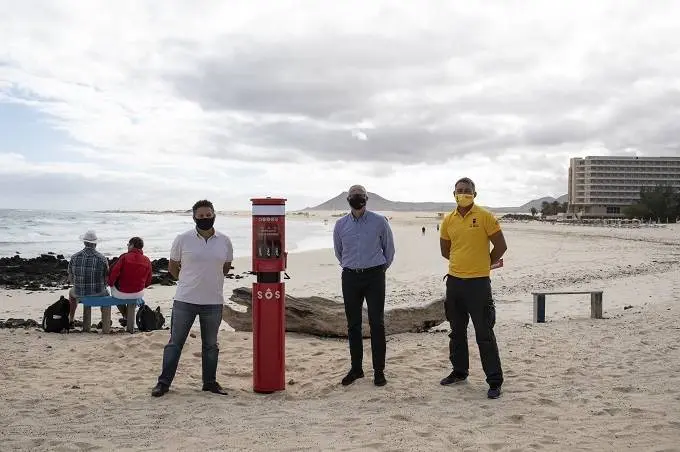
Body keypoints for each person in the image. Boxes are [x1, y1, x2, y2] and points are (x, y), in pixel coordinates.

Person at [152, 200, 233, 397]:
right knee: (175, 343)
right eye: (201, 216)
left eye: (208, 215)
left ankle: (210, 383)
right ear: (194, 217)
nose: (205, 219)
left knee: (211, 345)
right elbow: (173, 267)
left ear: (214, 215)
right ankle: (163, 384)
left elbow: (225, 267)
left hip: (213, 302)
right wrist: (188, 282)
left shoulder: (225, 240)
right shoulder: (182, 239)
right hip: (185, 300)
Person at [439, 177, 507, 399]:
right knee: (456, 331)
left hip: (479, 284)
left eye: (467, 191)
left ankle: (494, 381)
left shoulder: (485, 216)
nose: (463, 193)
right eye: (460, 190)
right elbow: (445, 250)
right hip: (455, 282)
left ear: (475, 194)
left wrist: (484, 264)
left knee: (484, 332)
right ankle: (459, 372)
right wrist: (462, 264)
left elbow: (501, 246)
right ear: (454, 194)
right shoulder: (448, 220)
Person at [333, 185, 395, 387]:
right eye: (353, 196)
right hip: (350, 277)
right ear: (348, 199)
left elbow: (389, 250)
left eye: (360, 196)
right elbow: (339, 252)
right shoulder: (340, 224)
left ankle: (379, 371)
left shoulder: (379, 222)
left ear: (366, 199)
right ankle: (356, 369)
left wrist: (378, 270)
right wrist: (352, 267)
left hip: (375, 276)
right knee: (353, 325)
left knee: (377, 324)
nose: (357, 199)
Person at [67, 230, 110, 324]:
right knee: (106, 293)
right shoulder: (102, 258)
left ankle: (71, 319)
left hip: (79, 293)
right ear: (95, 244)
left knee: (71, 293)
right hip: (98, 293)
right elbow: (107, 279)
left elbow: (70, 279)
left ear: (84, 242)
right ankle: (104, 320)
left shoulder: (74, 257)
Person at [107, 237, 153, 323]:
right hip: (138, 293)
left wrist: (110, 283)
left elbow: (114, 273)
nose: (128, 246)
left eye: (128, 245)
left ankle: (126, 316)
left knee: (114, 293)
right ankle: (127, 317)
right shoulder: (147, 260)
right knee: (132, 292)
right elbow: (148, 281)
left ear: (132, 245)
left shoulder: (124, 257)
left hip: (122, 293)